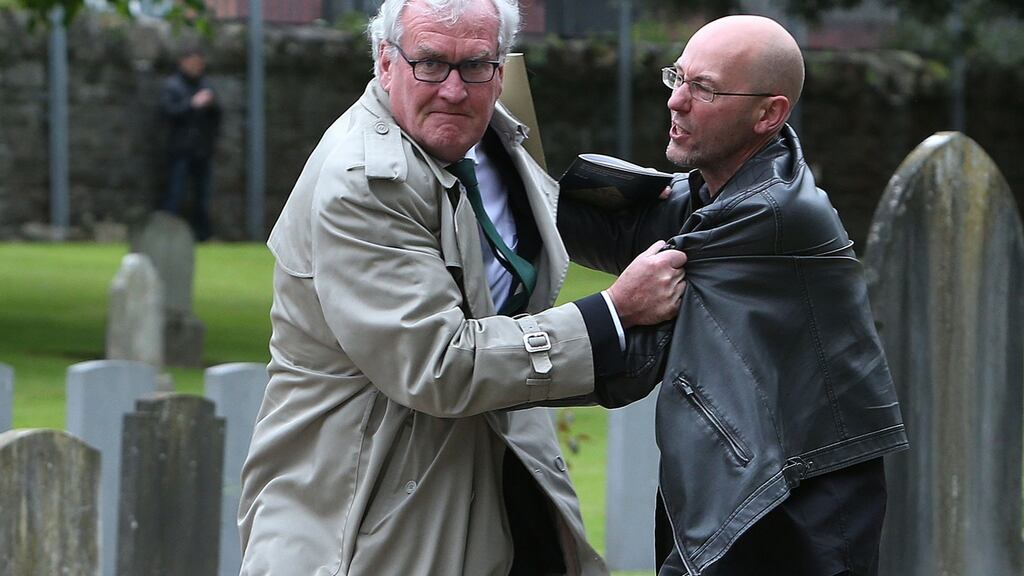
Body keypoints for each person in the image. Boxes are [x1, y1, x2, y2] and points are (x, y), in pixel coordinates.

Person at [237, 1, 686, 575]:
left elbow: (525, 229)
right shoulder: (363, 184)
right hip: (364, 518)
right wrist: (614, 315)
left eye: (475, 65)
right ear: (385, 62)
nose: (453, 89)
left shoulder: (499, 124)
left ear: (501, 68)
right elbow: (440, 366)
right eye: (429, 63)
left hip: (501, 478)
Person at [557, 15, 909, 576]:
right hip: (758, 478)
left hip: (792, 509)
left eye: (705, 88)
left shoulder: (771, 212)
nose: (676, 100)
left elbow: (631, 353)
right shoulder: (718, 189)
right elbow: (611, 225)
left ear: (768, 114)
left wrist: (490, 367)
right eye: (678, 77)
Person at [159, 48, 220, 241]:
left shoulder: (205, 85)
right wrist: (193, 104)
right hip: (180, 150)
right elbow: (169, 112)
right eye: (193, 63)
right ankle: (168, 234)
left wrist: (211, 105)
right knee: (174, 194)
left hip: (201, 151)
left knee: (202, 196)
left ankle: (202, 235)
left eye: (199, 64)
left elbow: (218, 115)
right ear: (183, 62)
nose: (196, 68)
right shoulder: (173, 86)